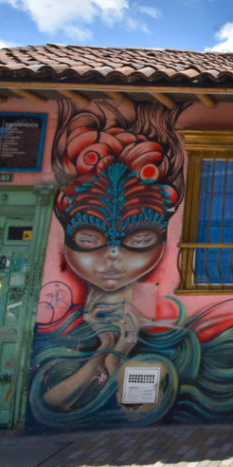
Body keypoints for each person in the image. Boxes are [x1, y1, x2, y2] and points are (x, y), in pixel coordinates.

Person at [41, 102, 183, 413]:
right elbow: (51, 403)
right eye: (89, 240)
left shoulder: (165, 333)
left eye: (140, 241)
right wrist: (109, 347)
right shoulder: (53, 328)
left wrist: (119, 348)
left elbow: (137, 415)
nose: (113, 257)